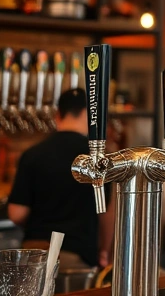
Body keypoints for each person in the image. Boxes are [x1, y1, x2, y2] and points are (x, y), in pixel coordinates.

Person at [8, 88, 114, 269]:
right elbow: (107, 215)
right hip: (76, 257)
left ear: (58, 115)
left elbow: (16, 213)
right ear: (88, 114)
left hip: (34, 256)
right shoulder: (99, 160)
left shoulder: (32, 154)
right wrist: (104, 251)